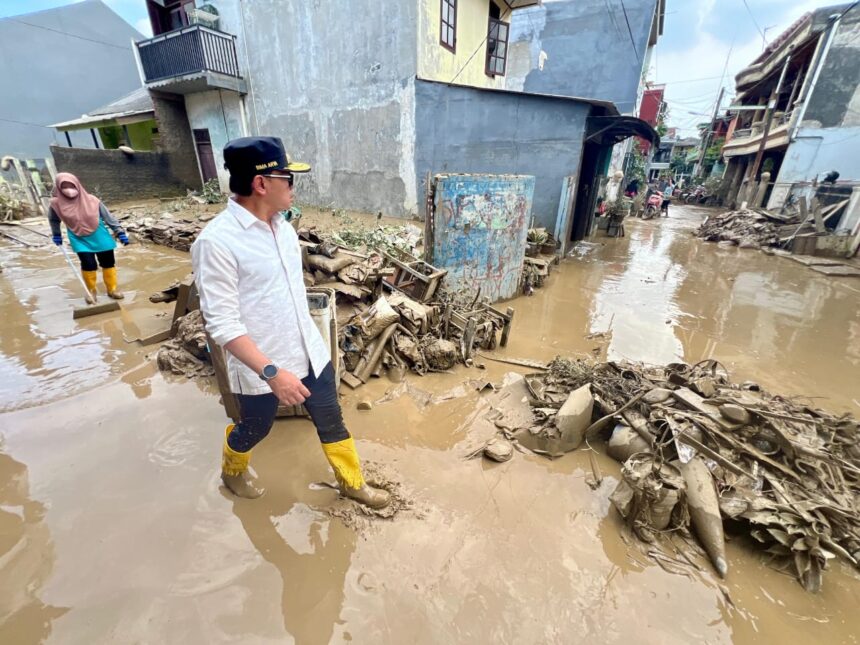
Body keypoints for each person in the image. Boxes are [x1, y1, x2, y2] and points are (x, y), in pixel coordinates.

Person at [191, 136, 390, 508]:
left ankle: (352, 483)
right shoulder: (216, 243)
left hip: (309, 352)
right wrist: (271, 372)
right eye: (289, 178)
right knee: (256, 427)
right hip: (262, 365)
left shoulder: (282, 226)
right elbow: (221, 325)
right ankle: (232, 471)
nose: (295, 187)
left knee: (331, 418)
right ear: (261, 183)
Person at [48, 173, 129, 301]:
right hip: (78, 237)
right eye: (65, 186)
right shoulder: (55, 204)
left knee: (108, 263)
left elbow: (108, 217)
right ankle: (91, 291)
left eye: (72, 186)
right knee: (88, 264)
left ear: (77, 185)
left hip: (100, 235)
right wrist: (57, 234)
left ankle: (112, 289)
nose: (69, 189)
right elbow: (53, 220)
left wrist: (119, 232)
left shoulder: (92, 200)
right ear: (58, 187)